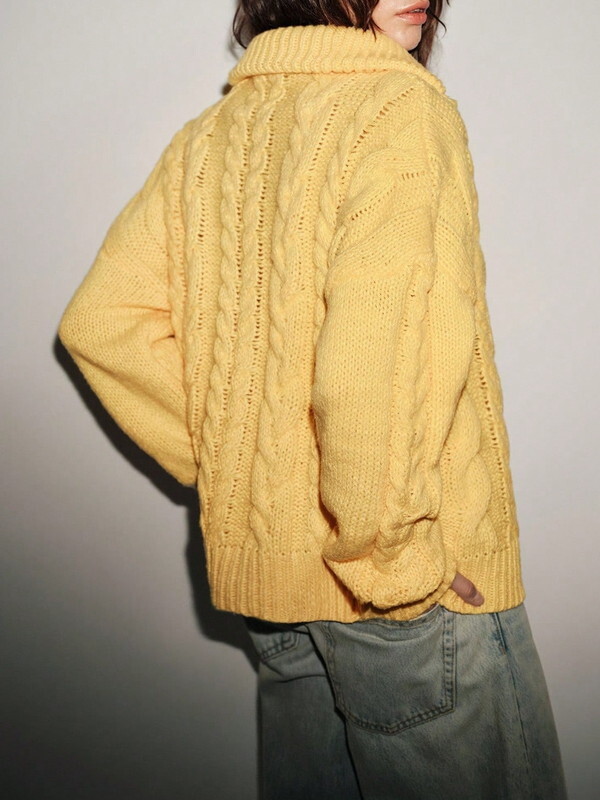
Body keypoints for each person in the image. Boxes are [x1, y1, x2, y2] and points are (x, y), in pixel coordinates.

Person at [57, 1, 569, 797]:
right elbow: (374, 359)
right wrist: (393, 563)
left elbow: (104, 323)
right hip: (400, 601)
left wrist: (238, 471)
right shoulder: (398, 110)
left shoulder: (210, 138)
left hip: (279, 605)